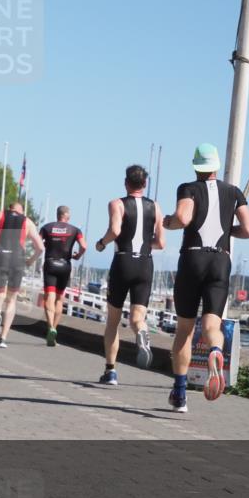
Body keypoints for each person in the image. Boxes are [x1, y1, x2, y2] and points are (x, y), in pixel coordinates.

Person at [162, 143, 249, 412]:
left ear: (196, 167)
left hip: (193, 257)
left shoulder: (188, 188)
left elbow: (183, 216)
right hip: (220, 260)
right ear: (215, 165)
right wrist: (228, 230)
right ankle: (216, 351)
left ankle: (180, 393)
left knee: (184, 330)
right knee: (212, 326)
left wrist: (168, 222)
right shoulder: (235, 192)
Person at [94, 165, 165, 385]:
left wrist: (101, 243)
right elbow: (161, 243)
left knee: (113, 322)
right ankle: (141, 333)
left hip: (123, 261)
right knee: (137, 318)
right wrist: (145, 244)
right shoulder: (155, 207)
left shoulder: (117, 204)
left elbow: (115, 231)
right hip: (145, 263)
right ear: (144, 184)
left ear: (126, 183)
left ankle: (111, 371)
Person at [0, 202, 44, 349]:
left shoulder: (0, 215)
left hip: (1, 256)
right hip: (18, 259)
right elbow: (40, 247)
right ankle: (3, 338)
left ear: (9, 208)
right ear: (21, 211)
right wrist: (30, 260)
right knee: (11, 301)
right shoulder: (28, 222)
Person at [39, 206, 87, 346]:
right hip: (65, 265)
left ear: (57, 215)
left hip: (50, 264)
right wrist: (77, 255)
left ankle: (50, 328)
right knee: (59, 299)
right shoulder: (75, 230)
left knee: (49, 297)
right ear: (68, 216)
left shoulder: (46, 227)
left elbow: (38, 243)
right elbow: (84, 246)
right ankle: (54, 329)